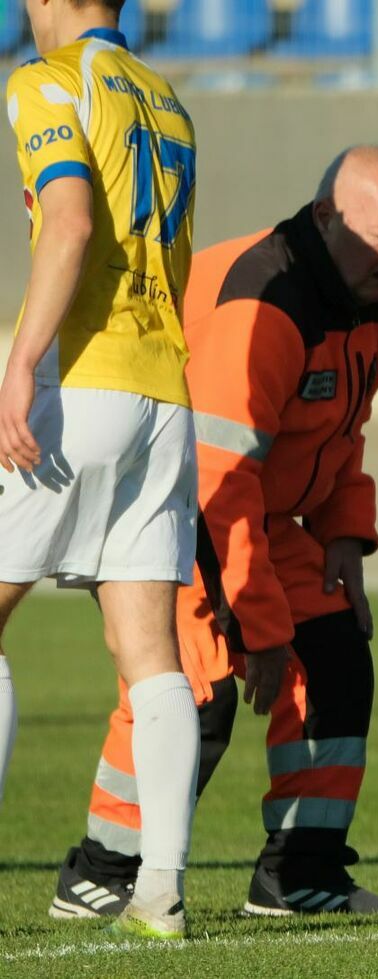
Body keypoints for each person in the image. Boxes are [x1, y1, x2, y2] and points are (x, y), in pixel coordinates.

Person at [49, 145, 378, 920]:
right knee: (197, 689)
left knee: (336, 658)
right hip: (170, 503)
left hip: (252, 509)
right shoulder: (265, 301)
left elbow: (342, 433)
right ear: (326, 217)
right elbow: (220, 476)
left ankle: (300, 872)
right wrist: (257, 623)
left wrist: (345, 535)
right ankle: (103, 867)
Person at [0, 0, 199, 940]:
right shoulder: (166, 99)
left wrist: (20, 359)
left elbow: (70, 222)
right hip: (166, 390)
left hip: (84, 381)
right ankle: (160, 888)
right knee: (149, 649)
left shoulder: (44, 81)